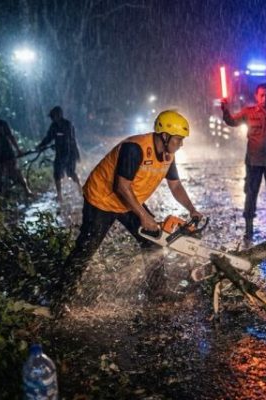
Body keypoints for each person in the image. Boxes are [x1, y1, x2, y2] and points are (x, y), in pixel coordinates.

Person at [54, 110, 202, 312]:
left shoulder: (168, 155)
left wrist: (192, 209)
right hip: (102, 199)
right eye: (178, 139)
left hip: (129, 201)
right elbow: (121, 186)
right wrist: (143, 216)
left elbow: (175, 185)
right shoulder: (134, 148)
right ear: (164, 135)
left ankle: (157, 292)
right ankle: (60, 299)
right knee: (86, 248)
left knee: (153, 242)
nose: (181, 144)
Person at [221, 83, 266, 238]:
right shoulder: (248, 112)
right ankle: (249, 228)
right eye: (262, 95)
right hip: (253, 161)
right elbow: (232, 121)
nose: (264, 98)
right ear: (256, 96)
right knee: (251, 194)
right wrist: (225, 110)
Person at [36, 106, 82, 202]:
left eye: (53, 116)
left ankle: (80, 187)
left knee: (70, 173)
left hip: (70, 153)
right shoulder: (53, 126)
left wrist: (75, 153)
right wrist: (41, 145)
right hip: (60, 153)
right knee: (56, 174)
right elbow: (49, 137)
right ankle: (59, 195)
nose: (52, 118)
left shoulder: (67, 125)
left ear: (59, 115)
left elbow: (70, 139)